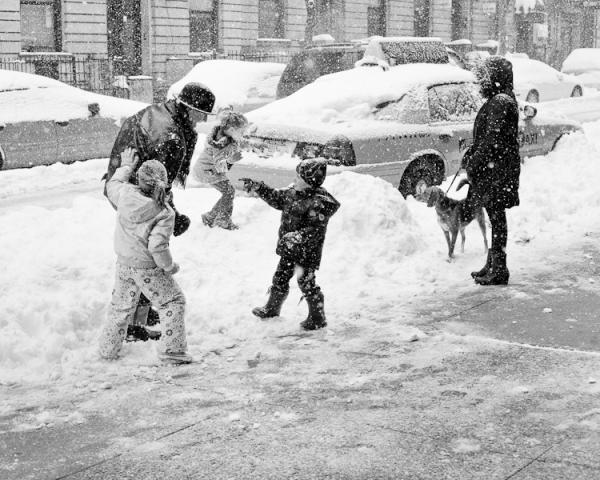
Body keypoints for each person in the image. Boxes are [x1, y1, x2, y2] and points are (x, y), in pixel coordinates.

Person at [103, 82, 215, 339]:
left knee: (136, 259)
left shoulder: (159, 111)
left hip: (127, 190)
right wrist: (172, 216)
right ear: (187, 108)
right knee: (146, 259)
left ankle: (137, 312)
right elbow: (160, 186)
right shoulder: (171, 137)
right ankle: (134, 325)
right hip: (141, 199)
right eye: (201, 113)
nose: (202, 120)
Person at [98, 150, 191, 364]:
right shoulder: (164, 212)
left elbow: (112, 183)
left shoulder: (124, 194)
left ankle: (107, 350)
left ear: (138, 179)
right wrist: (169, 267)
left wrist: (126, 165)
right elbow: (157, 246)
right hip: (148, 268)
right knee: (173, 302)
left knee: (120, 307)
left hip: (123, 264)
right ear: (164, 183)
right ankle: (173, 350)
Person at [241, 159, 340, 330]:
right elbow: (276, 198)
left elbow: (315, 230)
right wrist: (259, 187)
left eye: (299, 177)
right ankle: (272, 308)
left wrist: (299, 236)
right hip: (289, 250)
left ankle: (317, 317)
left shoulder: (318, 203)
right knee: (280, 278)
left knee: (306, 282)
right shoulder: (292, 194)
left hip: (306, 253)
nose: (295, 179)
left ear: (310, 181)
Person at [462, 56, 521, 286]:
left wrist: (474, 162)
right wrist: (473, 153)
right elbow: (488, 138)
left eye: (485, 76)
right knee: (495, 218)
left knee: (496, 218)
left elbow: (492, 141)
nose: (481, 81)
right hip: (498, 169)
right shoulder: (501, 99)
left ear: (495, 77)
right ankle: (494, 265)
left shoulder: (500, 101)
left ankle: (499, 268)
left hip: (497, 171)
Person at [194, 110, 249, 230]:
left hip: (210, 169)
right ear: (232, 130)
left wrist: (250, 145)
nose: (243, 134)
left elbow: (236, 143)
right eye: (242, 132)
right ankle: (222, 219)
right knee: (229, 192)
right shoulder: (220, 144)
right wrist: (230, 161)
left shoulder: (227, 136)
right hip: (207, 171)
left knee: (228, 192)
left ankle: (211, 217)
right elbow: (219, 165)